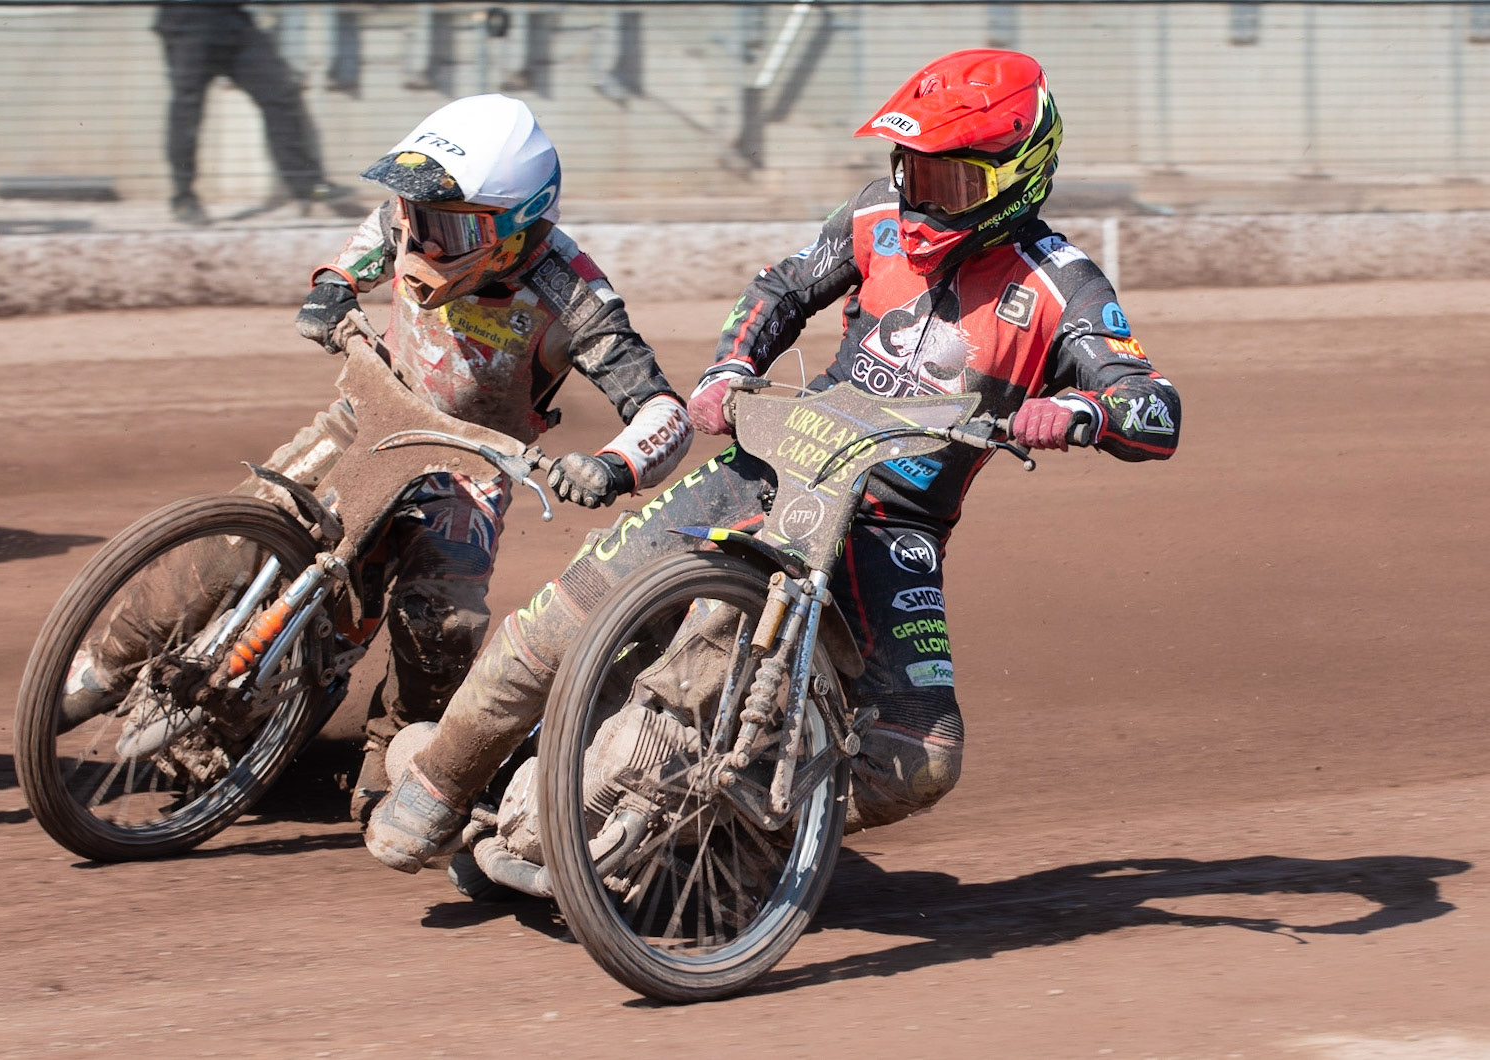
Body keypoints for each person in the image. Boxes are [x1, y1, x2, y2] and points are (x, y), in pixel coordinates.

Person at [364, 49, 1181, 876]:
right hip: (772, 461)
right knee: (568, 608)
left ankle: (719, 843)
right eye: (911, 170)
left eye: (951, 182)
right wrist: (728, 370)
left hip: (891, 523)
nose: (922, 197)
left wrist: (1081, 409)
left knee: (922, 756)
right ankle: (437, 783)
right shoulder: (875, 216)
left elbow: (1152, 404)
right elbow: (780, 289)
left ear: (1018, 174)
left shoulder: (1061, 286)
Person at [64, 94, 694, 825]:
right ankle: (100, 668)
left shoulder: (575, 299)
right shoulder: (409, 224)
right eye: (415, 217)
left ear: (518, 229)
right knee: (241, 533)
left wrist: (613, 465)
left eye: (448, 226)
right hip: (367, 415)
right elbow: (379, 228)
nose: (420, 241)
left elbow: (663, 410)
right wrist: (335, 284)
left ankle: (395, 751)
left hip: (469, 467)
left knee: (444, 614)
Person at [154, 2, 358, 225]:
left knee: (281, 95)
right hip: (187, 20)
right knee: (187, 109)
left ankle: (309, 186)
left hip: (234, 21)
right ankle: (183, 199)